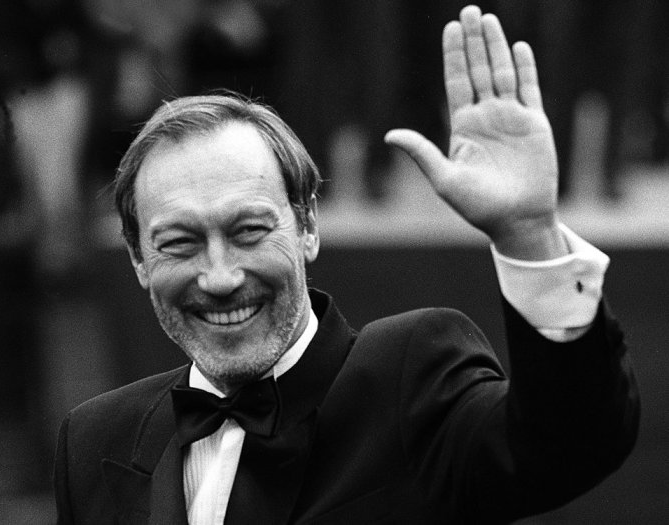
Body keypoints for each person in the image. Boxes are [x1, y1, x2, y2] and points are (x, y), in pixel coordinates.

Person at [53, 6, 639, 524]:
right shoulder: (94, 441)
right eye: (180, 243)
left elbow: (570, 445)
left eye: (248, 231)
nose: (221, 276)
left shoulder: (410, 379)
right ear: (138, 258)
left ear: (307, 224)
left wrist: (529, 235)